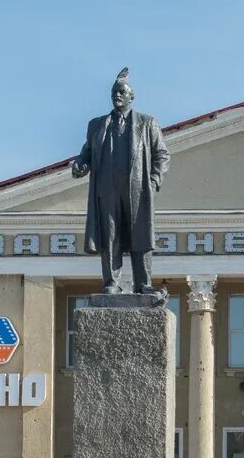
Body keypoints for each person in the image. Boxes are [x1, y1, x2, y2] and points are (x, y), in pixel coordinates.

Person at [70, 67, 170, 297]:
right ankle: (111, 283)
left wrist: (153, 181)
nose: (117, 95)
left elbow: (162, 155)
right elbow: (86, 154)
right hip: (107, 189)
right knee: (110, 234)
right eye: (114, 92)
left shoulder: (147, 123)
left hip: (137, 189)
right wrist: (80, 164)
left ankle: (142, 283)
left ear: (131, 97)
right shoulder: (97, 125)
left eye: (122, 92)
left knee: (140, 235)